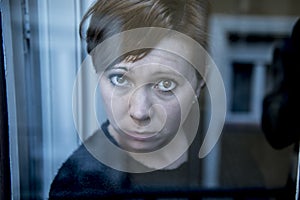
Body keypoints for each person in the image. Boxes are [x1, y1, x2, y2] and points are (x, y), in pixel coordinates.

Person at [48, 0, 209, 199]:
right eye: (120, 79)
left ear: (200, 82)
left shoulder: (226, 158)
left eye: (165, 84)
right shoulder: (80, 186)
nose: (140, 112)